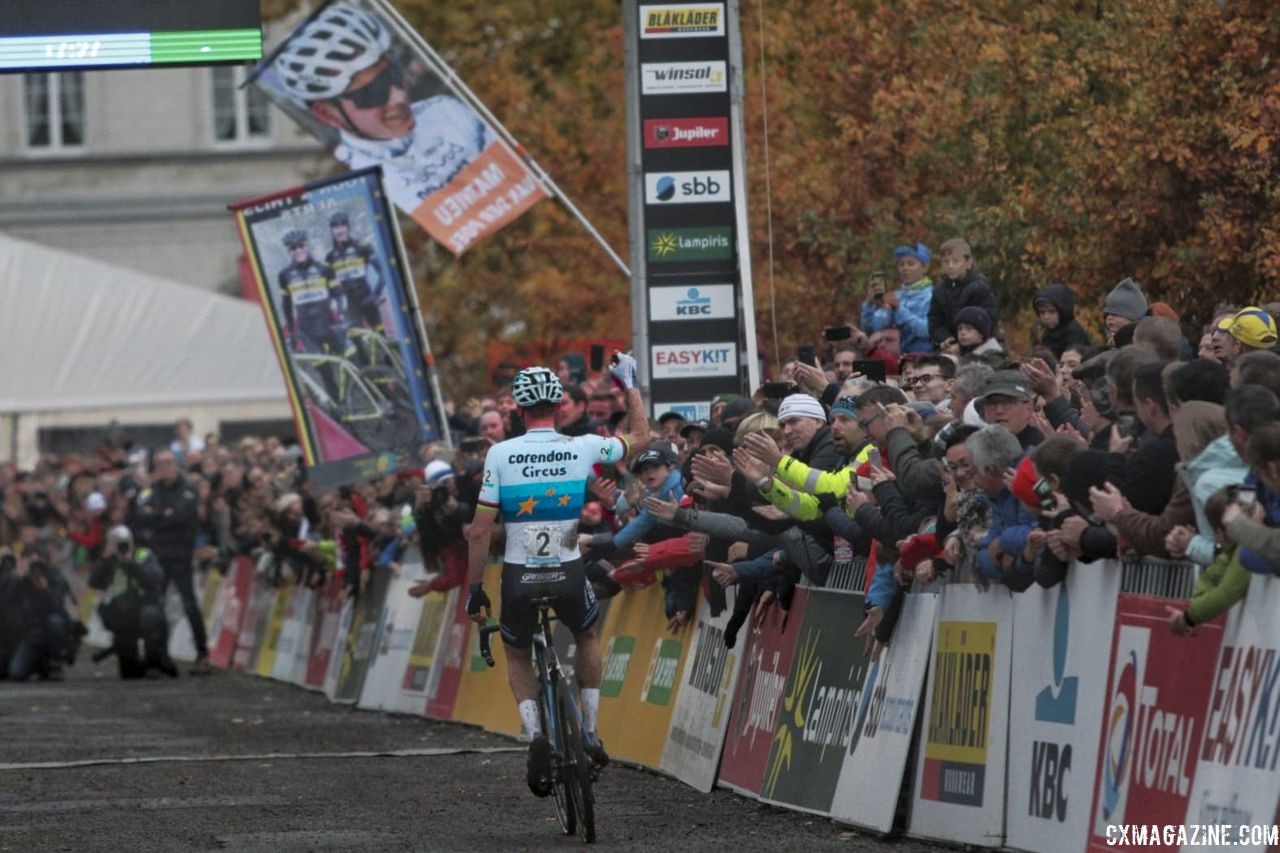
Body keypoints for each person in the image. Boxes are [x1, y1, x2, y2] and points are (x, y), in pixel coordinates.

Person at [465, 356, 650, 798]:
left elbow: (478, 530)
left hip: (519, 576)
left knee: (516, 654)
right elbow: (642, 438)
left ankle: (535, 736)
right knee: (586, 639)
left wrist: (475, 592)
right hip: (567, 570)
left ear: (518, 411)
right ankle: (589, 732)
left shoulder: (500, 453)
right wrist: (631, 384)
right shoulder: (583, 445)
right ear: (557, 405)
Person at [272, 2, 493, 214]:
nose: (398, 95)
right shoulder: (362, 184)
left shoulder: (446, 111)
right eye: (372, 92)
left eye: (393, 75)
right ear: (327, 113)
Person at [136, 450, 209, 674]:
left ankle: (202, 653)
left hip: (181, 555)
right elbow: (141, 515)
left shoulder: (188, 489)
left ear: (176, 465)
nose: (165, 467)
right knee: (157, 607)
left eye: (168, 462)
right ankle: (160, 655)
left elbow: (182, 515)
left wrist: (160, 517)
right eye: (160, 463)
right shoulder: (152, 491)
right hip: (159, 556)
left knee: (190, 604)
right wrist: (164, 515)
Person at [90, 526, 175, 679]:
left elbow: (154, 580)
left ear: (132, 543)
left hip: (144, 608)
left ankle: (153, 662)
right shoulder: (109, 560)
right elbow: (94, 583)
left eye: (124, 543)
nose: (121, 548)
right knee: (130, 673)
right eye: (116, 543)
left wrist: (130, 563)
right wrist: (105, 559)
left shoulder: (143, 556)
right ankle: (135, 663)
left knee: (151, 616)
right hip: (122, 614)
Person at [277, 229, 344, 402]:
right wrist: (291, 332)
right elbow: (286, 306)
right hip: (308, 333)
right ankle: (341, 411)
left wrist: (342, 316)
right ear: (288, 251)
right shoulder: (284, 275)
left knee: (353, 360)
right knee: (326, 375)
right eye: (292, 248)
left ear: (307, 246)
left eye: (300, 246)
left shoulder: (325, 269)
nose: (297, 250)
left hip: (329, 325)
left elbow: (338, 294)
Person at [324, 211, 385, 347]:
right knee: (356, 342)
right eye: (335, 227)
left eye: (342, 226)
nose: (339, 230)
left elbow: (382, 272)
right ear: (332, 230)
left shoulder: (362, 247)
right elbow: (330, 287)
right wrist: (336, 307)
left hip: (366, 297)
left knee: (381, 338)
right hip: (350, 304)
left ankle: (390, 364)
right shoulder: (330, 257)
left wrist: (376, 294)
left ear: (347, 227)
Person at [861, 244, 934, 353]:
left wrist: (899, 309)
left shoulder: (933, 294)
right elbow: (873, 327)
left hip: (926, 357)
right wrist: (869, 302)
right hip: (899, 359)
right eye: (901, 264)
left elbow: (926, 330)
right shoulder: (896, 296)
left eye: (911, 264)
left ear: (925, 267)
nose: (905, 268)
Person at [927, 238, 997, 350]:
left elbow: (987, 320)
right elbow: (934, 321)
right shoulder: (939, 289)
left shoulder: (979, 287)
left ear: (968, 263)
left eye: (955, 261)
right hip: (949, 345)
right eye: (946, 261)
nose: (950, 266)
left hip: (979, 346)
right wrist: (945, 339)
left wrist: (961, 345)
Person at [1033, 284, 1092, 358]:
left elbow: (1073, 361)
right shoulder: (1048, 333)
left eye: (1052, 311)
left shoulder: (1074, 332)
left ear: (1063, 311)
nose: (1046, 317)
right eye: (1042, 312)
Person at [1101, 278, 1147, 347]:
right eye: (1107, 314)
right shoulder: (1110, 346)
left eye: (1115, 314)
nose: (1109, 318)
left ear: (1133, 318)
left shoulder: (1142, 348)